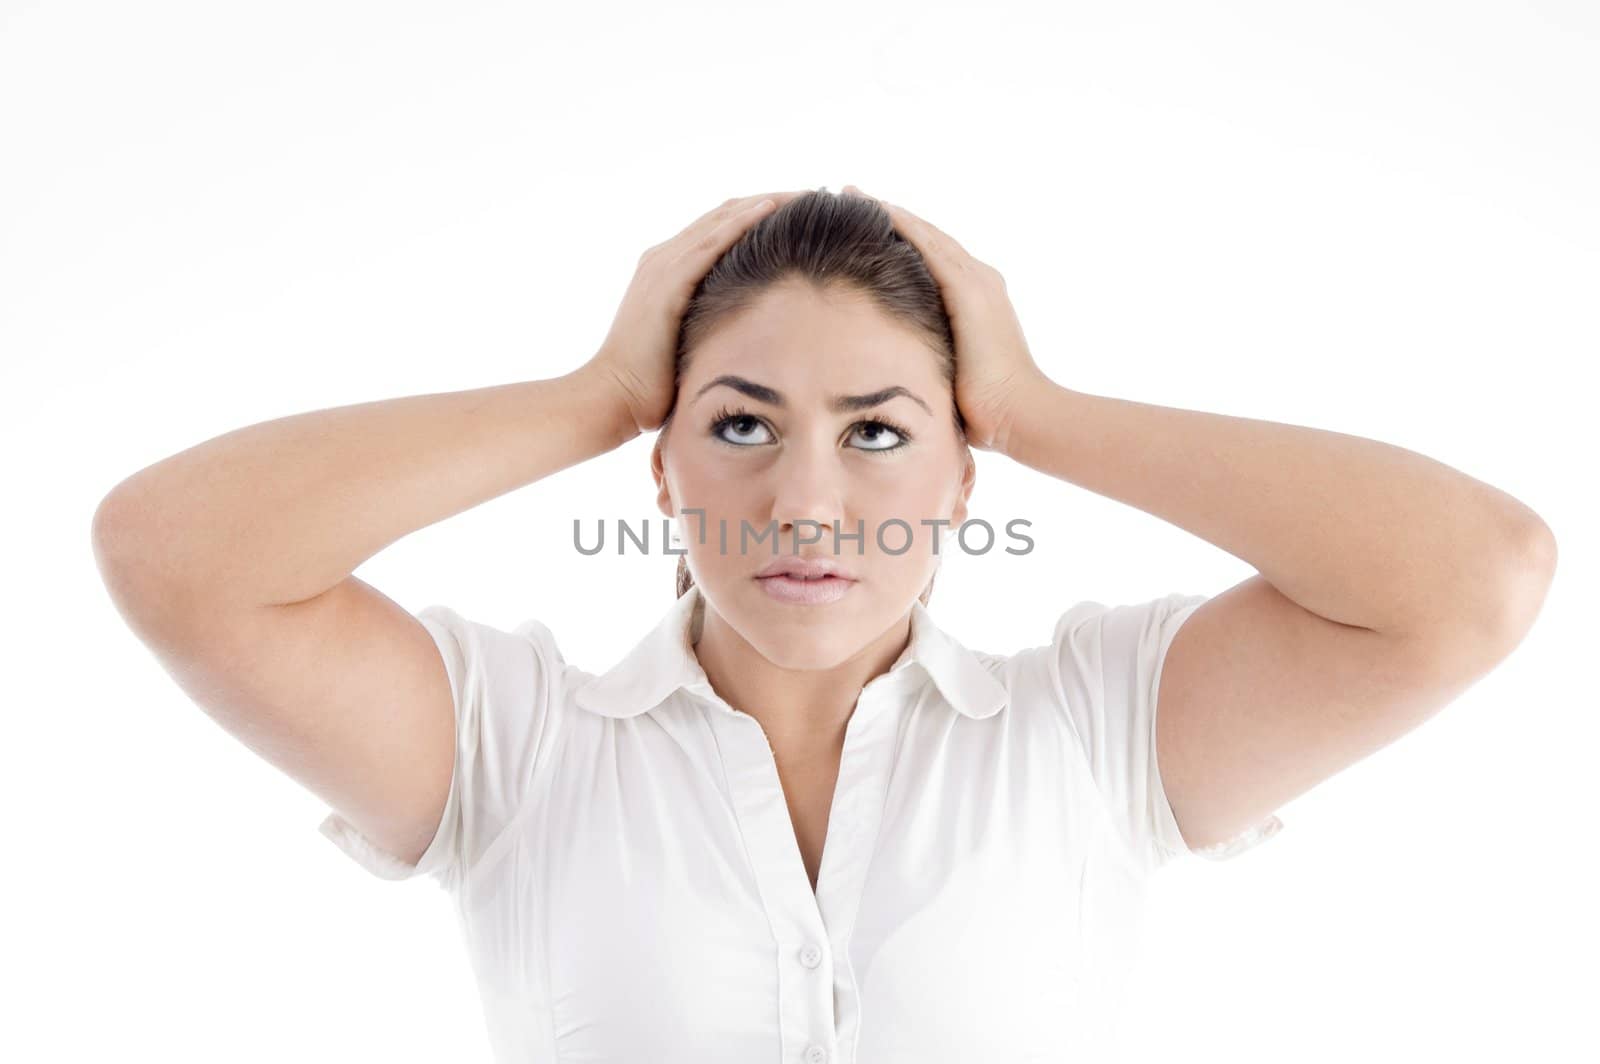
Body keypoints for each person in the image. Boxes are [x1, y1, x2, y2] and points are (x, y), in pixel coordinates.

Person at [92, 187, 1555, 1063]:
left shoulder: (1097, 730)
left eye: (876, 431)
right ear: (659, 466)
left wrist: (1042, 407)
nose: (804, 504)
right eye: (739, 423)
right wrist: (596, 391)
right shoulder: (509, 744)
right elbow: (176, 554)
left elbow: (1474, 580)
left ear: (965, 469)